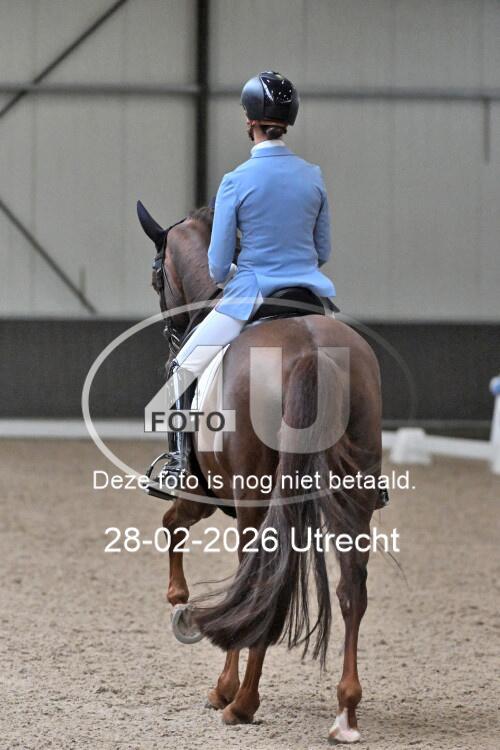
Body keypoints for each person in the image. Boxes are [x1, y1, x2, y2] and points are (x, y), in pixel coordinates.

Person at [159, 70, 336, 483]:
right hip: (310, 296)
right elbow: (323, 252)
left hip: (252, 295)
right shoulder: (313, 175)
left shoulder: (236, 181)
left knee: (181, 368)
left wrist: (241, 269)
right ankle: (366, 475)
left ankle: (178, 464)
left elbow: (218, 267)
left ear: (250, 121)